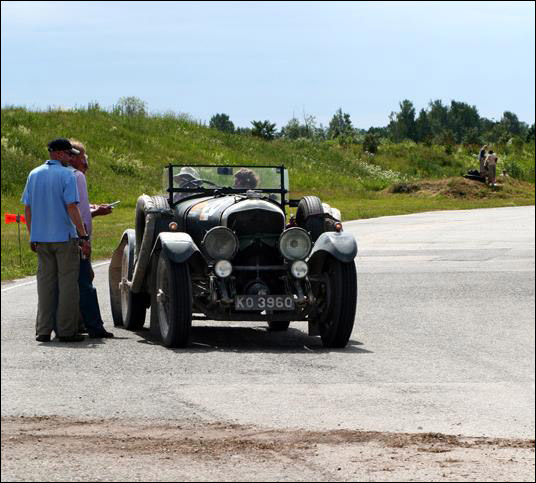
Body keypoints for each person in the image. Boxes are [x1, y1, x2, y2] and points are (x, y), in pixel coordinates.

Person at [21, 138, 90, 343]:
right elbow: (72, 207)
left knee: (45, 285)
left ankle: (43, 330)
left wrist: (32, 234)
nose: (71, 158)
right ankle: (66, 330)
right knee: (68, 285)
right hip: (64, 237)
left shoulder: (34, 174)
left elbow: (27, 208)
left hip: (41, 238)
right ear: (59, 154)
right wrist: (83, 234)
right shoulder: (68, 175)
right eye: (68, 154)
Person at [68, 140, 114, 338]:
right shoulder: (77, 176)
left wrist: (92, 209)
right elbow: (75, 209)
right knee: (85, 281)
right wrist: (84, 236)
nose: (85, 161)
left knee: (72, 281)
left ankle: (75, 322)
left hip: (66, 235)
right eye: (83, 157)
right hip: (78, 235)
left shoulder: (67, 175)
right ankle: (93, 325)